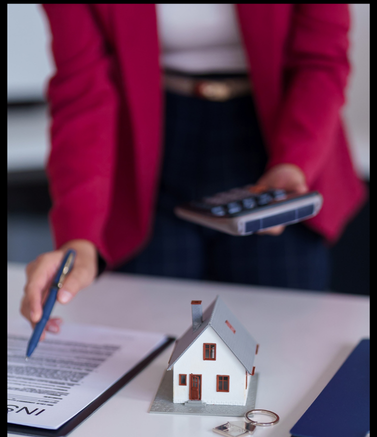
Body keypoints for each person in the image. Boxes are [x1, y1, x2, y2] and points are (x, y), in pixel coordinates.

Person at [20, 4, 367, 337]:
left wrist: (294, 160)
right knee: (148, 339)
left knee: (286, 338)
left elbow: (322, 59)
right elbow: (83, 90)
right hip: (145, 146)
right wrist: (80, 235)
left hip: (277, 131)